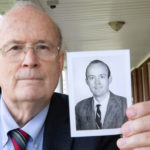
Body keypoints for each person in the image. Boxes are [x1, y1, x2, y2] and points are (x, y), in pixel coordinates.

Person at [0, 2, 150, 150]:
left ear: (60, 63)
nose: (30, 60)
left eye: (43, 47)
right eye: (15, 48)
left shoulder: (97, 127)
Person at [75, 60, 127, 130]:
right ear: (87, 82)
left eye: (102, 77)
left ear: (109, 79)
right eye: (92, 78)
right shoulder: (79, 107)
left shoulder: (125, 104)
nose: (97, 82)